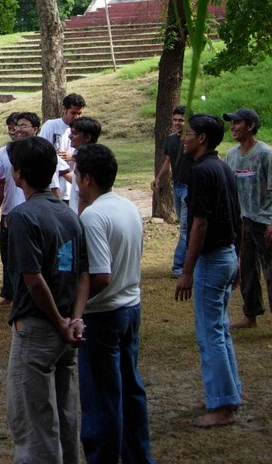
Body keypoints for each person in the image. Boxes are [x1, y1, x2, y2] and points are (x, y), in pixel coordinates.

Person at [6, 136, 88, 464]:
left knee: (33, 421)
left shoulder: (24, 216)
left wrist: (58, 321)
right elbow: (83, 273)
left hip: (40, 329)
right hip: (67, 331)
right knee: (66, 415)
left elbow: (33, 279)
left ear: (18, 174)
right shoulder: (68, 214)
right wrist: (75, 319)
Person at [75, 144, 155, 464]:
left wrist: (74, 310)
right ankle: (138, 456)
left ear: (87, 179)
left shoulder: (93, 217)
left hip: (104, 315)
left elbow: (100, 275)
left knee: (101, 396)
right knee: (130, 389)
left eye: (78, 174)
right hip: (130, 307)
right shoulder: (127, 206)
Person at [175, 114, 243, 428]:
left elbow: (198, 224)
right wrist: (237, 257)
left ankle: (223, 406)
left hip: (213, 259)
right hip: (226, 255)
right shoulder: (223, 167)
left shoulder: (203, 171)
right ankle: (227, 395)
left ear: (201, 138)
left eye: (188, 133)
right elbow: (236, 217)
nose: (183, 137)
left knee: (210, 333)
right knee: (220, 330)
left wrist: (186, 271)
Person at [223, 107, 272, 339]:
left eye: (237, 123)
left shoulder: (266, 154)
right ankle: (250, 315)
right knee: (246, 271)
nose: (232, 127)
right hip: (242, 222)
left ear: (250, 126)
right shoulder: (231, 155)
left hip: (263, 223)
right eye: (231, 123)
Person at [0, 111, 40, 307]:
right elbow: (1, 184)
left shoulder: (42, 151)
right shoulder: (4, 153)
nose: (18, 129)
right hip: (9, 212)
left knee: (31, 257)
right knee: (8, 256)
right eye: (15, 126)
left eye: (23, 125)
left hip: (34, 212)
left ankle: (30, 294)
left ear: (35, 129)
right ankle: (10, 293)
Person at [151, 105, 190, 277]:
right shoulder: (171, 140)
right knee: (184, 226)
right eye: (175, 120)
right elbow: (168, 161)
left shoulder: (192, 140)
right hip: (178, 187)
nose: (178, 123)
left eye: (181, 120)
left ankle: (179, 266)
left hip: (191, 188)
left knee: (186, 228)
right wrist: (158, 178)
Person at [39, 93, 86, 201]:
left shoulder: (84, 129)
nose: (76, 117)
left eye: (79, 113)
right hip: (55, 187)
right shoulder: (50, 126)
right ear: (64, 109)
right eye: (73, 113)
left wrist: (72, 157)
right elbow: (42, 152)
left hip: (74, 189)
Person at [66, 116, 102, 214]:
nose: (70, 136)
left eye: (75, 133)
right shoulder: (93, 155)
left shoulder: (86, 161)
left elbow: (84, 196)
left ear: (87, 137)